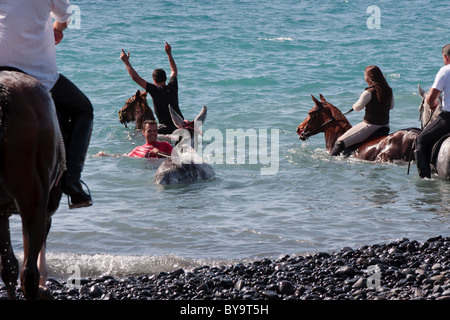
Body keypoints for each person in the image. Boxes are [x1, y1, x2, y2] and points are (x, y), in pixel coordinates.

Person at [0, 0, 93, 209]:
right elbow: (67, 15)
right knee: (84, 109)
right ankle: (72, 181)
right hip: (38, 72)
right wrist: (57, 28)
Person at [120, 42, 184, 134]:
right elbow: (174, 71)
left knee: (140, 134)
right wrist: (169, 53)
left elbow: (135, 78)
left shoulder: (155, 90)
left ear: (154, 80)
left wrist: (126, 62)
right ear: (165, 78)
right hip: (180, 125)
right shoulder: (173, 86)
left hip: (166, 128)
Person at [332, 65, 394, 156]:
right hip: (385, 126)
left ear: (369, 78)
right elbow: (391, 107)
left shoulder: (368, 92)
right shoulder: (389, 90)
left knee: (340, 142)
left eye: (365, 76)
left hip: (370, 126)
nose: (364, 78)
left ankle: (330, 164)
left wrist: (354, 105)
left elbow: (358, 108)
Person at [414, 44, 450, 179]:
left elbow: (432, 97)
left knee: (421, 139)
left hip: (448, 118)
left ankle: (425, 178)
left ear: (445, 57)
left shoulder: (445, 70)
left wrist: (432, 104)